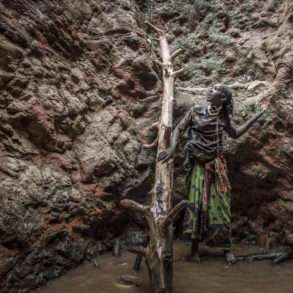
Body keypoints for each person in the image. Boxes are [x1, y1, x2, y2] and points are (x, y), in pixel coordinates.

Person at [158, 85, 266, 264]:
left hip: (216, 167)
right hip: (199, 166)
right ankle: (194, 250)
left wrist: (257, 116)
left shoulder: (223, 117)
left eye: (215, 89)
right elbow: (179, 128)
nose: (210, 90)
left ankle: (226, 249)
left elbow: (236, 133)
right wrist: (172, 148)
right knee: (197, 205)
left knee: (220, 207)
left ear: (222, 99)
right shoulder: (195, 111)